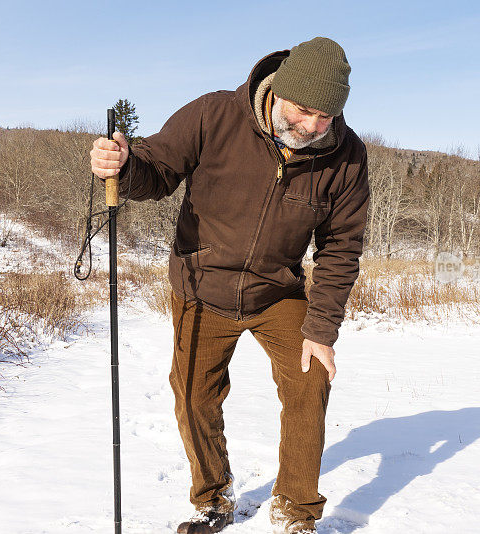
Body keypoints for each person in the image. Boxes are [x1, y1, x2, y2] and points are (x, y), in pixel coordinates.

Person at [90, 36, 369, 534]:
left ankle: (295, 512)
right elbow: (156, 168)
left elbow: (341, 247)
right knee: (195, 395)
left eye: (326, 117)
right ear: (279, 91)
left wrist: (321, 328)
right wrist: (125, 167)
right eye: (304, 110)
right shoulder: (214, 116)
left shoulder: (345, 158)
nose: (312, 127)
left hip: (277, 292)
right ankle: (212, 498)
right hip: (202, 285)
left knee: (310, 381)